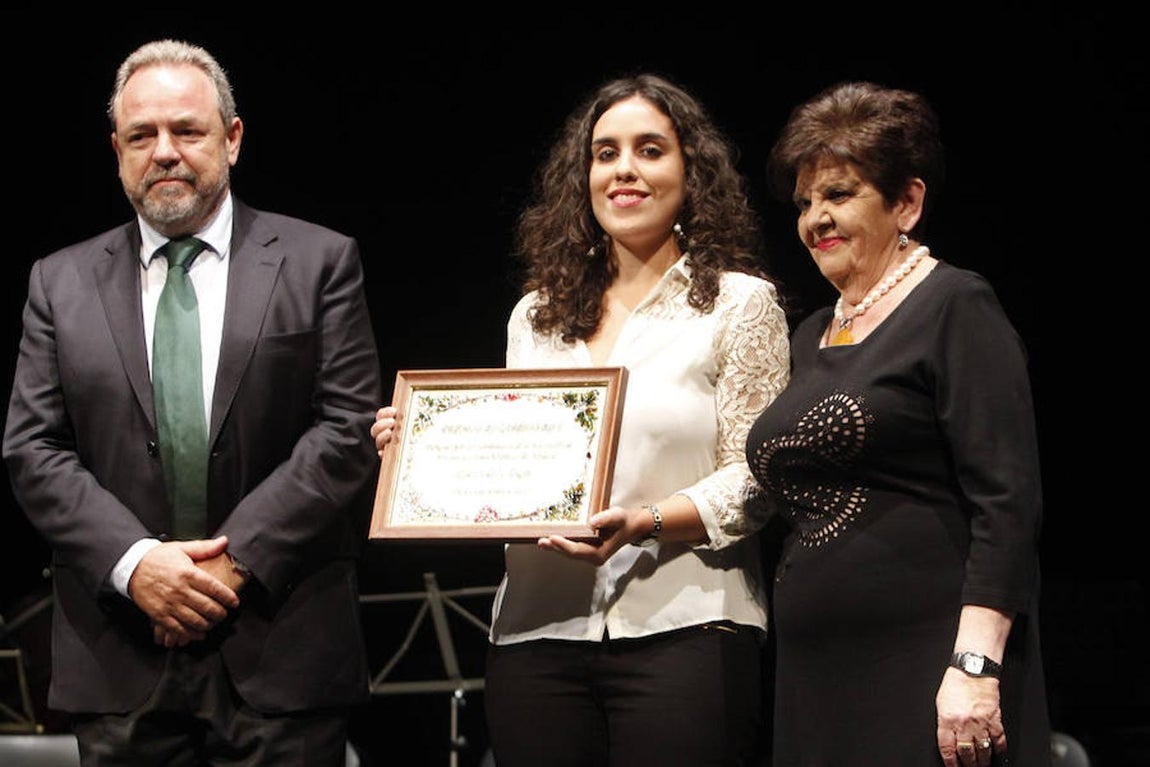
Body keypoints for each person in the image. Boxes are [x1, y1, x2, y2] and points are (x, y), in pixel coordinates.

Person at [372, 73, 790, 766]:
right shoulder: (535, 316)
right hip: (537, 632)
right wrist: (420, 450)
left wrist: (645, 521)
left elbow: (757, 476)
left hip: (686, 627)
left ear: (692, 172)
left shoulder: (739, 305)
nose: (624, 169)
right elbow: (513, 463)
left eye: (649, 149)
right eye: (605, 153)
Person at [3, 39, 382, 765]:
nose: (165, 152)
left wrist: (230, 564)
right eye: (141, 135)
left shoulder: (320, 262)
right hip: (120, 654)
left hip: (281, 648)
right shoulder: (58, 281)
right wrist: (136, 563)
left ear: (232, 139)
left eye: (187, 130)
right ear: (117, 150)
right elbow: (33, 449)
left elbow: (346, 431)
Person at [745, 80, 1050, 767]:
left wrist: (975, 664)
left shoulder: (954, 306)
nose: (815, 219)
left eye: (838, 194)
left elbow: (1007, 502)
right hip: (816, 674)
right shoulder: (810, 335)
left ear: (906, 202)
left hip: (928, 664)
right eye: (803, 203)